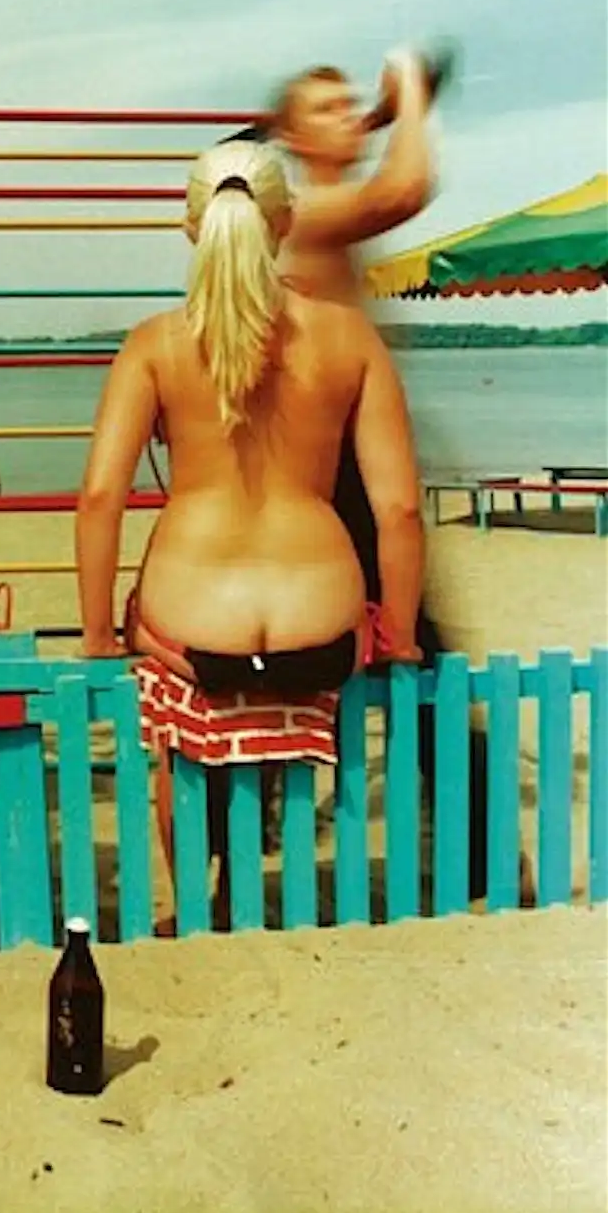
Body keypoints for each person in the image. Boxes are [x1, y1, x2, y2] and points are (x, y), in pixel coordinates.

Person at [77, 139, 425, 925]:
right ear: (285, 222)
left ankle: (193, 902)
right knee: (273, 689)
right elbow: (399, 508)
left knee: (162, 678)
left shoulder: (155, 344)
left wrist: (100, 631)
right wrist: (400, 633)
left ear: (191, 227)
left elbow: (100, 496)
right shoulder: (349, 338)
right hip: (318, 633)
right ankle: (246, 886)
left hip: (194, 630)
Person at [264, 50, 491, 901]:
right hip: (333, 482)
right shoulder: (310, 212)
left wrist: (386, 111)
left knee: (392, 654)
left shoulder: (326, 214)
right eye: (324, 108)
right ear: (292, 136)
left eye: (348, 103)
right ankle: (477, 853)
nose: (346, 115)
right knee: (409, 656)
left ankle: (471, 847)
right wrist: (413, 91)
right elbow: (407, 187)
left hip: (341, 472)